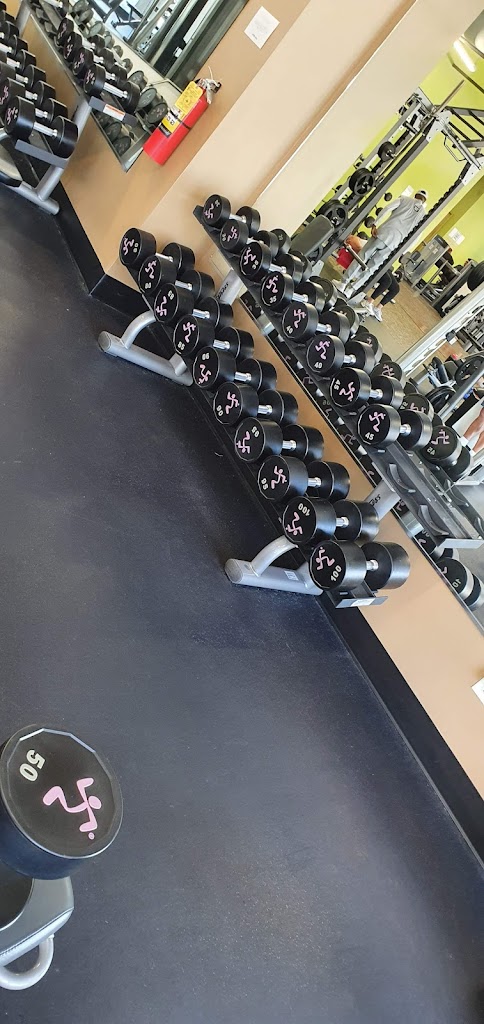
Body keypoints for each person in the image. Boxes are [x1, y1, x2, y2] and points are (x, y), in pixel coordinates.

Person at [339, 189, 428, 293]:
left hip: (383, 233)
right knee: (372, 267)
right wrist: (403, 251)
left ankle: (343, 283)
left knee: (362, 257)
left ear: (416, 195)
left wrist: (375, 224)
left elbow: (387, 208)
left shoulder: (404, 199)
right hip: (395, 243)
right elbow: (417, 235)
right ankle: (350, 290)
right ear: (424, 201)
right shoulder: (423, 215)